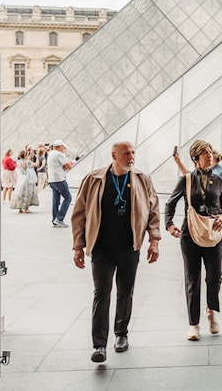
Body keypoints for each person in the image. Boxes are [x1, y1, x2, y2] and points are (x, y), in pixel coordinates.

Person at [71, 141, 161, 363]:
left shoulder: (142, 179)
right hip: (101, 248)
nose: (131, 156)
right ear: (113, 155)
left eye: (133, 152)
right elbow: (79, 212)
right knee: (101, 293)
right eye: (126, 153)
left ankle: (121, 334)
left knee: (125, 291)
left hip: (130, 247)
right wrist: (78, 245)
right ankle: (99, 345)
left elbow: (153, 210)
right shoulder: (93, 179)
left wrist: (154, 240)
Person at [165, 140, 222, 341]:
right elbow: (170, 203)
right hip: (189, 235)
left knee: (214, 276)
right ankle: (194, 324)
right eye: (204, 153)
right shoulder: (186, 180)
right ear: (195, 158)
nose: (209, 155)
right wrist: (169, 224)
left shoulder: (219, 179)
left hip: (213, 234)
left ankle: (211, 311)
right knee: (192, 279)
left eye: (210, 152)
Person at [47, 140, 74, 228]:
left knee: (55, 201)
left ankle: (55, 219)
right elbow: (68, 166)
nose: (64, 149)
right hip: (59, 179)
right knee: (68, 197)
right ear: (59, 146)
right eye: (63, 147)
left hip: (52, 180)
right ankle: (59, 219)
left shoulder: (50, 154)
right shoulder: (59, 154)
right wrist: (67, 158)